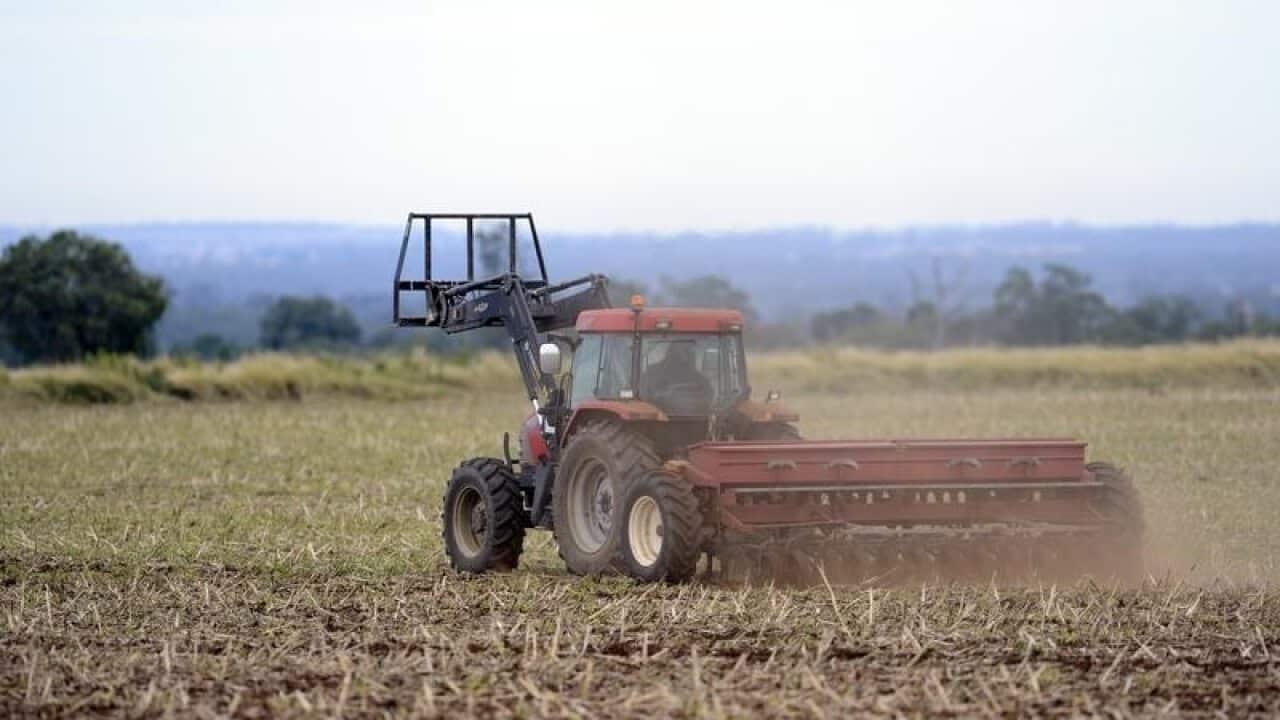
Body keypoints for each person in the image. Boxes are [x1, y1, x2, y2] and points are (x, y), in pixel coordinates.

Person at [640, 341, 712, 410]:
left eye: (689, 352)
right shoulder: (652, 373)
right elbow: (642, 395)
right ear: (671, 352)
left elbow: (708, 398)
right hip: (655, 418)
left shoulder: (699, 379)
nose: (688, 355)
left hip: (698, 420)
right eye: (686, 351)